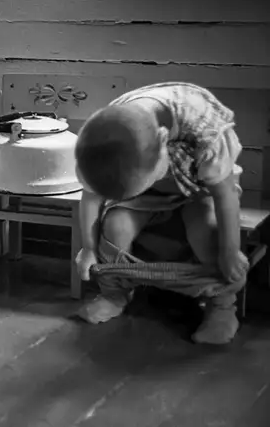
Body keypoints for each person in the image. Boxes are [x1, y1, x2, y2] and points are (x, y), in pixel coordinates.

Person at [73, 82, 249, 345]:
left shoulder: (206, 130)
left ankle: (221, 305)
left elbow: (225, 196)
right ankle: (114, 294)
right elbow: (90, 197)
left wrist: (230, 251)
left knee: (208, 233)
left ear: (164, 140)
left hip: (199, 193)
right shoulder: (105, 134)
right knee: (115, 225)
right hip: (145, 196)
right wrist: (88, 249)